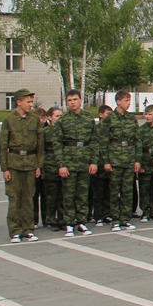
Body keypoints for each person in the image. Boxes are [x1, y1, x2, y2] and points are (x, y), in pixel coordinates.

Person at [0, 88, 43, 243]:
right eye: (28, 102)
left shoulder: (34, 119)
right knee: (14, 197)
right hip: (14, 163)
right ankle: (15, 230)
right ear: (18, 102)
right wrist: (4, 168)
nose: (31, 105)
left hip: (30, 163)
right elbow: (3, 145)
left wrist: (38, 164)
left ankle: (28, 229)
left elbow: (39, 144)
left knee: (28, 197)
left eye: (31, 102)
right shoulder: (8, 120)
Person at [57, 89, 98, 237]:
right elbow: (57, 144)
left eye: (75, 99)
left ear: (80, 100)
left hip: (84, 160)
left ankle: (81, 221)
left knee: (83, 194)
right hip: (69, 161)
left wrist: (94, 162)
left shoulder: (88, 119)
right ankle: (69, 223)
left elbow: (94, 141)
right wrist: (61, 164)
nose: (72, 102)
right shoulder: (63, 121)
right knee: (68, 194)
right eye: (69, 100)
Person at [101, 90, 141, 231]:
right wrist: (106, 161)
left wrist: (137, 159)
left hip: (129, 158)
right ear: (118, 101)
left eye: (129, 101)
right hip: (115, 158)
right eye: (126, 101)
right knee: (114, 191)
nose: (128, 103)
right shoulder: (109, 119)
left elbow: (137, 140)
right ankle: (115, 220)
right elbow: (104, 141)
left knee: (127, 191)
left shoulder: (131, 118)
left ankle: (125, 219)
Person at [89, 104, 113, 225]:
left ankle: (107, 214)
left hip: (109, 163)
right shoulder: (96, 129)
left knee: (108, 191)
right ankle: (98, 215)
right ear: (100, 115)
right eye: (107, 114)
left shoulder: (111, 129)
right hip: (98, 164)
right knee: (98, 191)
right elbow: (94, 146)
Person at [40, 107, 64, 230]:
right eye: (57, 116)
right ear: (49, 117)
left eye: (61, 116)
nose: (60, 118)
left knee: (63, 195)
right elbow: (41, 150)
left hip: (62, 165)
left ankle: (62, 219)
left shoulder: (64, 130)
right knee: (51, 196)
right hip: (50, 165)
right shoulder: (45, 132)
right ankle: (50, 219)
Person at [137, 105, 153, 221]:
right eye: (145, 114)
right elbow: (138, 148)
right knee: (144, 188)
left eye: (150, 114)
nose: (147, 116)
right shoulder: (141, 130)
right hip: (145, 161)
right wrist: (139, 164)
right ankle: (145, 211)